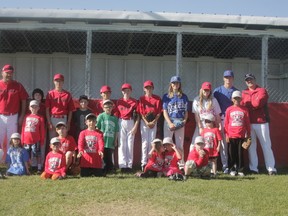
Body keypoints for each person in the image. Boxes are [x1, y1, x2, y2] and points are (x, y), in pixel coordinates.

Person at [241, 73, 277, 175]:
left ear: (255, 80)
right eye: (247, 80)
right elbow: (243, 106)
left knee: (266, 145)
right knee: (251, 146)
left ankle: (271, 168)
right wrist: (251, 104)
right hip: (249, 123)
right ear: (245, 82)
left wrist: (249, 104)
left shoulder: (262, 90)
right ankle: (253, 169)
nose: (249, 81)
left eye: (251, 79)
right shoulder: (243, 92)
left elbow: (258, 104)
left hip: (262, 122)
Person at [213, 70, 238, 174]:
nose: (228, 79)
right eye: (226, 77)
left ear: (233, 78)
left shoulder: (236, 91)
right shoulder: (217, 91)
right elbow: (213, 105)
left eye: (230, 77)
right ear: (223, 78)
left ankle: (234, 164)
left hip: (233, 119)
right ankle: (225, 165)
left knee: (233, 143)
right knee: (223, 143)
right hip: (222, 118)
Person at [0, 64, 29, 155]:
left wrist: (22, 116)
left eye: (10, 73)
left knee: (12, 139)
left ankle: (11, 162)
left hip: (13, 116)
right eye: (7, 73)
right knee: (0, 139)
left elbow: (24, 100)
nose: (9, 75)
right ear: (2, 72)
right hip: (1, 116)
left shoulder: (17, 85)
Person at [162, 76, 188, 168]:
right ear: (171, 84)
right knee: (167, 143)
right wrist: (169, 123)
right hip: (169, 121)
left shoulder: (184, 96)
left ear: (180, 84)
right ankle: (165, 163)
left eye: (177, 83)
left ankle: (181, 164)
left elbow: (186, 111)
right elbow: (165, 111)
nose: (175, 85)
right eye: (173, 83)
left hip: (180, 122)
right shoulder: (166, 96)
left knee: (179, 144)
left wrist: (184, 121)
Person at [225, 91, 250, 176]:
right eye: (235, 98)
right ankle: (231, 169)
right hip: (231, 135)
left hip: (241, 135)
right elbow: (226, 123)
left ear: (241, 99)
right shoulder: (229, 109)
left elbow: (247, 122)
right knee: (231, 153)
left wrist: (248, 135)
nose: (236, 100)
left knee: (240, 153)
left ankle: (240, 169)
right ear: (232, 99)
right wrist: (227, 135)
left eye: (238, 98)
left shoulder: (245, 109)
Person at [138, 80, 162, 171]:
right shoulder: (142, 99)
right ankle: (143, 163)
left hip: (153, 122)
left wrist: (154, 122)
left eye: (150, 88)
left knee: (152, 143)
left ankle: (151, 162)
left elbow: (159, 112)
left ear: (153, 88)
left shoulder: (157, 98)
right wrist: (146, 122)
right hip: (144, 123)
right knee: (144, 143)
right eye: (147, 88)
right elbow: (140, 112)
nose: (148, 89)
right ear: (144, 89)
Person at [115, 83, 140, 173]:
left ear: (131, 91)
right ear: (122, 92)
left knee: (130, 144)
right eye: (124, 90)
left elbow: (138, 115)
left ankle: (129, 165)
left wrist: (135, 126)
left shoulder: (134, 101)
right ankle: (122, 165)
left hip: (131, 121)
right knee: (121, 144)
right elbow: (116, 114)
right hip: (121, 121)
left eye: (128, 90)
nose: (126, 92)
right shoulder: (119, 101)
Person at [191, 82, 221, 151]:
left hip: (211, 125)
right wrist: (200, 127)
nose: (206, 92)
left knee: (209, 144)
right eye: (205, 90)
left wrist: (219, 126)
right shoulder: (196, 100)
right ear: (201, 90)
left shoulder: (213, 100)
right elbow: (196, 115)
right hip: (201, 123)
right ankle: (192, 160)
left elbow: (217, 114)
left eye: (208, 90)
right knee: (194, 143)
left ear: (210, 90)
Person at [45, 73, 75, 140]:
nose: (58, 83)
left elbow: (70, 110)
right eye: (57, 81)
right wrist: (49, 122)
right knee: (53, 140)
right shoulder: (50, 94)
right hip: (53, 118)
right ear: (54, 82)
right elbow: (47, 109)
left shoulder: (67, 94)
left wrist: (68, 122)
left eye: (60, 81)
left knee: (63, 138)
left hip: (63, 118)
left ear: (63, 82)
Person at [21, 100, 45, 174]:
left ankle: (39, 168)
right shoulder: (26, 117)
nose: (34, 108)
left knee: (37, 154)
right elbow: (23, 128)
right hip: (26, 139)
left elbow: (42, 130)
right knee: (26, 154)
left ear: (38, 108)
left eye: (35, 107)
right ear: (29, 108)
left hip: (36, 139)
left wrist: (42, 140)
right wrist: (22, 139)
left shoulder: (40, 118)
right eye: (32, 107)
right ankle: (27, 167)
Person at [96, 100, 119, 174]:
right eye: (106, 107)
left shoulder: (114, 118)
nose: (108, 108)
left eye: (110, 107)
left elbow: (116, 130)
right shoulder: (101, 116)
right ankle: (104, 168)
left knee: (109, 155)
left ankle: (109, 168)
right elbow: (97, 128)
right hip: (102, 139)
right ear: (103, 108)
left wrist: (115, 140)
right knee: (103, 155)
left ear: (112, 108)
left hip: (110, 139)